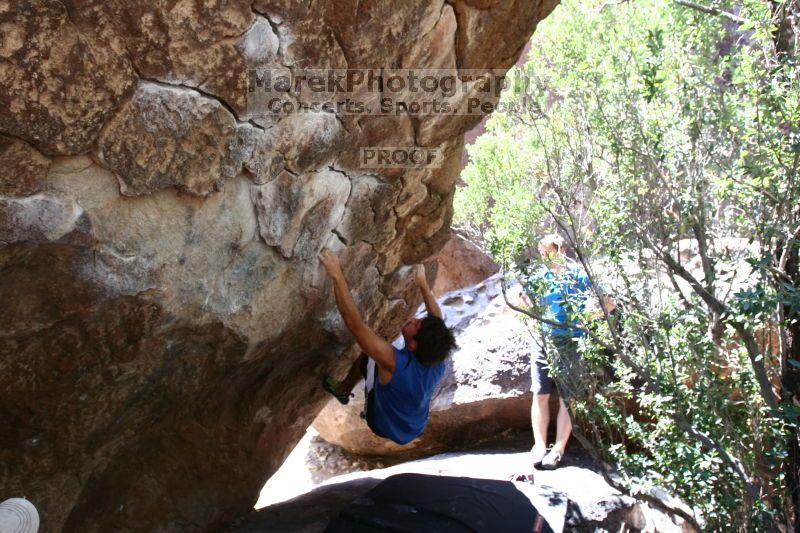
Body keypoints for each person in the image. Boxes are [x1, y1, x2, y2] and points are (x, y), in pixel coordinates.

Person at [319, 249, 457, 445]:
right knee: (378, 354)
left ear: (413, 344)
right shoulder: (436, 357)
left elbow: (355, 324)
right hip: (414, 425)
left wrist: (336, 274)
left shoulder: (394, 364)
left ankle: (344, 391)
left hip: (380, 424)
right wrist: (423, 284)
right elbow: (438, 321)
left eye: (416, 325)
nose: (415, 319)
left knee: (370, 355)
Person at [523, 234, 615, 470]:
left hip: (572, 341)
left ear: (560, 249)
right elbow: (525, 298)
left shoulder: (578, 275)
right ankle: (539, 446)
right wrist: (531, 308)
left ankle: (558, 449)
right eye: (541, 251)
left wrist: (584, 320)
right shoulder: (539, 277)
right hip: (544, 340)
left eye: (547, 250)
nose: (543, 255)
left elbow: (609, 303)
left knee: (569, 397)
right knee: (540, 393)